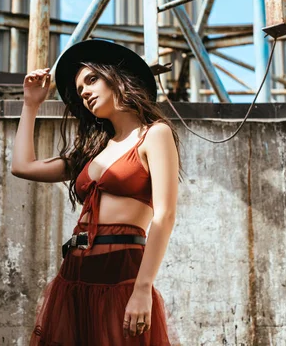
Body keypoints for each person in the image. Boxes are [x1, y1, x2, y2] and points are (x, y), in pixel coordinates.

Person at [11, 39, 181, 345]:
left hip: (123, 271)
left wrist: (143, 288)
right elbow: (22, 166)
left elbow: (165, 215)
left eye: (92, 80)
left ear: (116, 77)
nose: (85, 92)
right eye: (80, 91)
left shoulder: (155, 133)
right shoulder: (92, 151)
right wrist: (31, 104)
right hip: (74, 273)